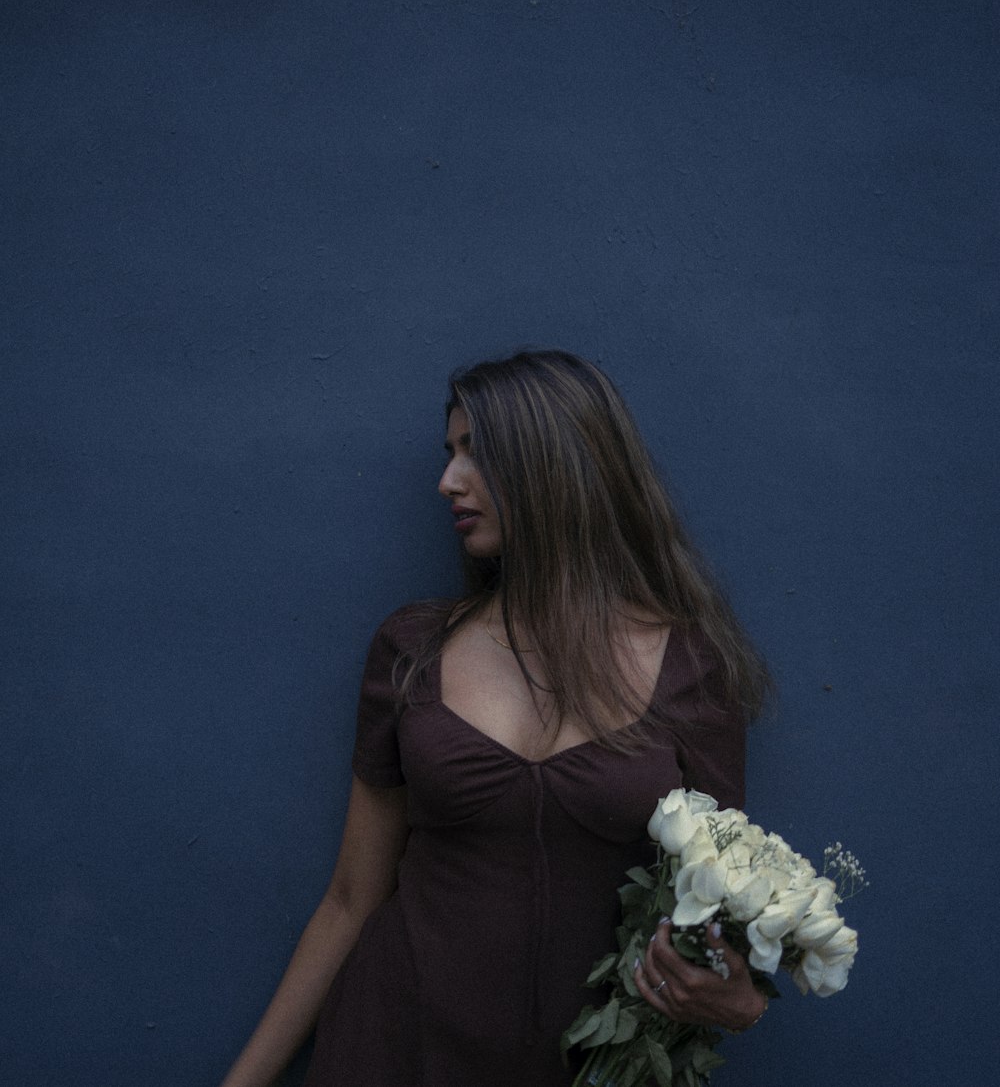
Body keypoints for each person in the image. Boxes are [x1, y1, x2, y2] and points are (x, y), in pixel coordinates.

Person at [221, 350, 772, 1087]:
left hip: (583, 1069)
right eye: (449, 454)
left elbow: (721, 915)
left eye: (476, 454)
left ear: (558, 465)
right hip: (393, 1053)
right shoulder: (413, 649)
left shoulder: (691, 668)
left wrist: (744, 1000)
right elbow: (351, 900)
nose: (447, 481)